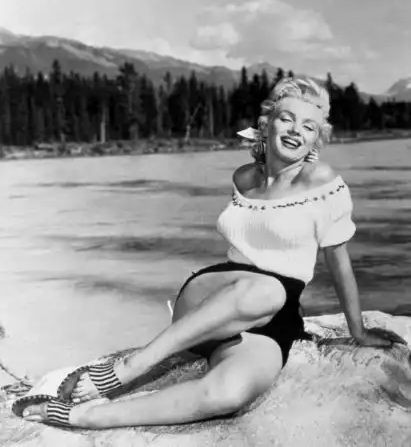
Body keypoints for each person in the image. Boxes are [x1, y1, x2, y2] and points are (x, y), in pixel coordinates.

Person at [14, 77, 404, 429]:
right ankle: (130, 367)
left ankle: (83, 416)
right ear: (267, 124)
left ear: (317, 140)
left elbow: (338, 259)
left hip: (275, 313)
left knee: (229, 393)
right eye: (287, 119)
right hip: (212, 296)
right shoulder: (244, 177)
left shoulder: (322, 182)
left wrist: (357, 331)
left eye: (308, 127)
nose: (295, 131)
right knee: (266, 289)